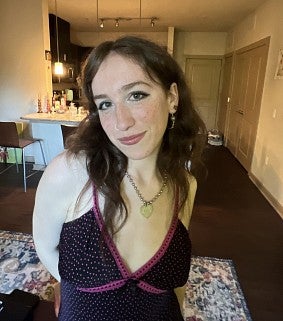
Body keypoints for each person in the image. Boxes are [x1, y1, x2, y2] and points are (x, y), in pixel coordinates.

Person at [33, 36, 206, 321]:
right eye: (105, 104)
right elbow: (45, 247)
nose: (121, 122)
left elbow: (176, 288)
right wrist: (73, 289)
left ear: (172, 98)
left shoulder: (185, 185)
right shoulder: (71, 174)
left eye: (136, 95)